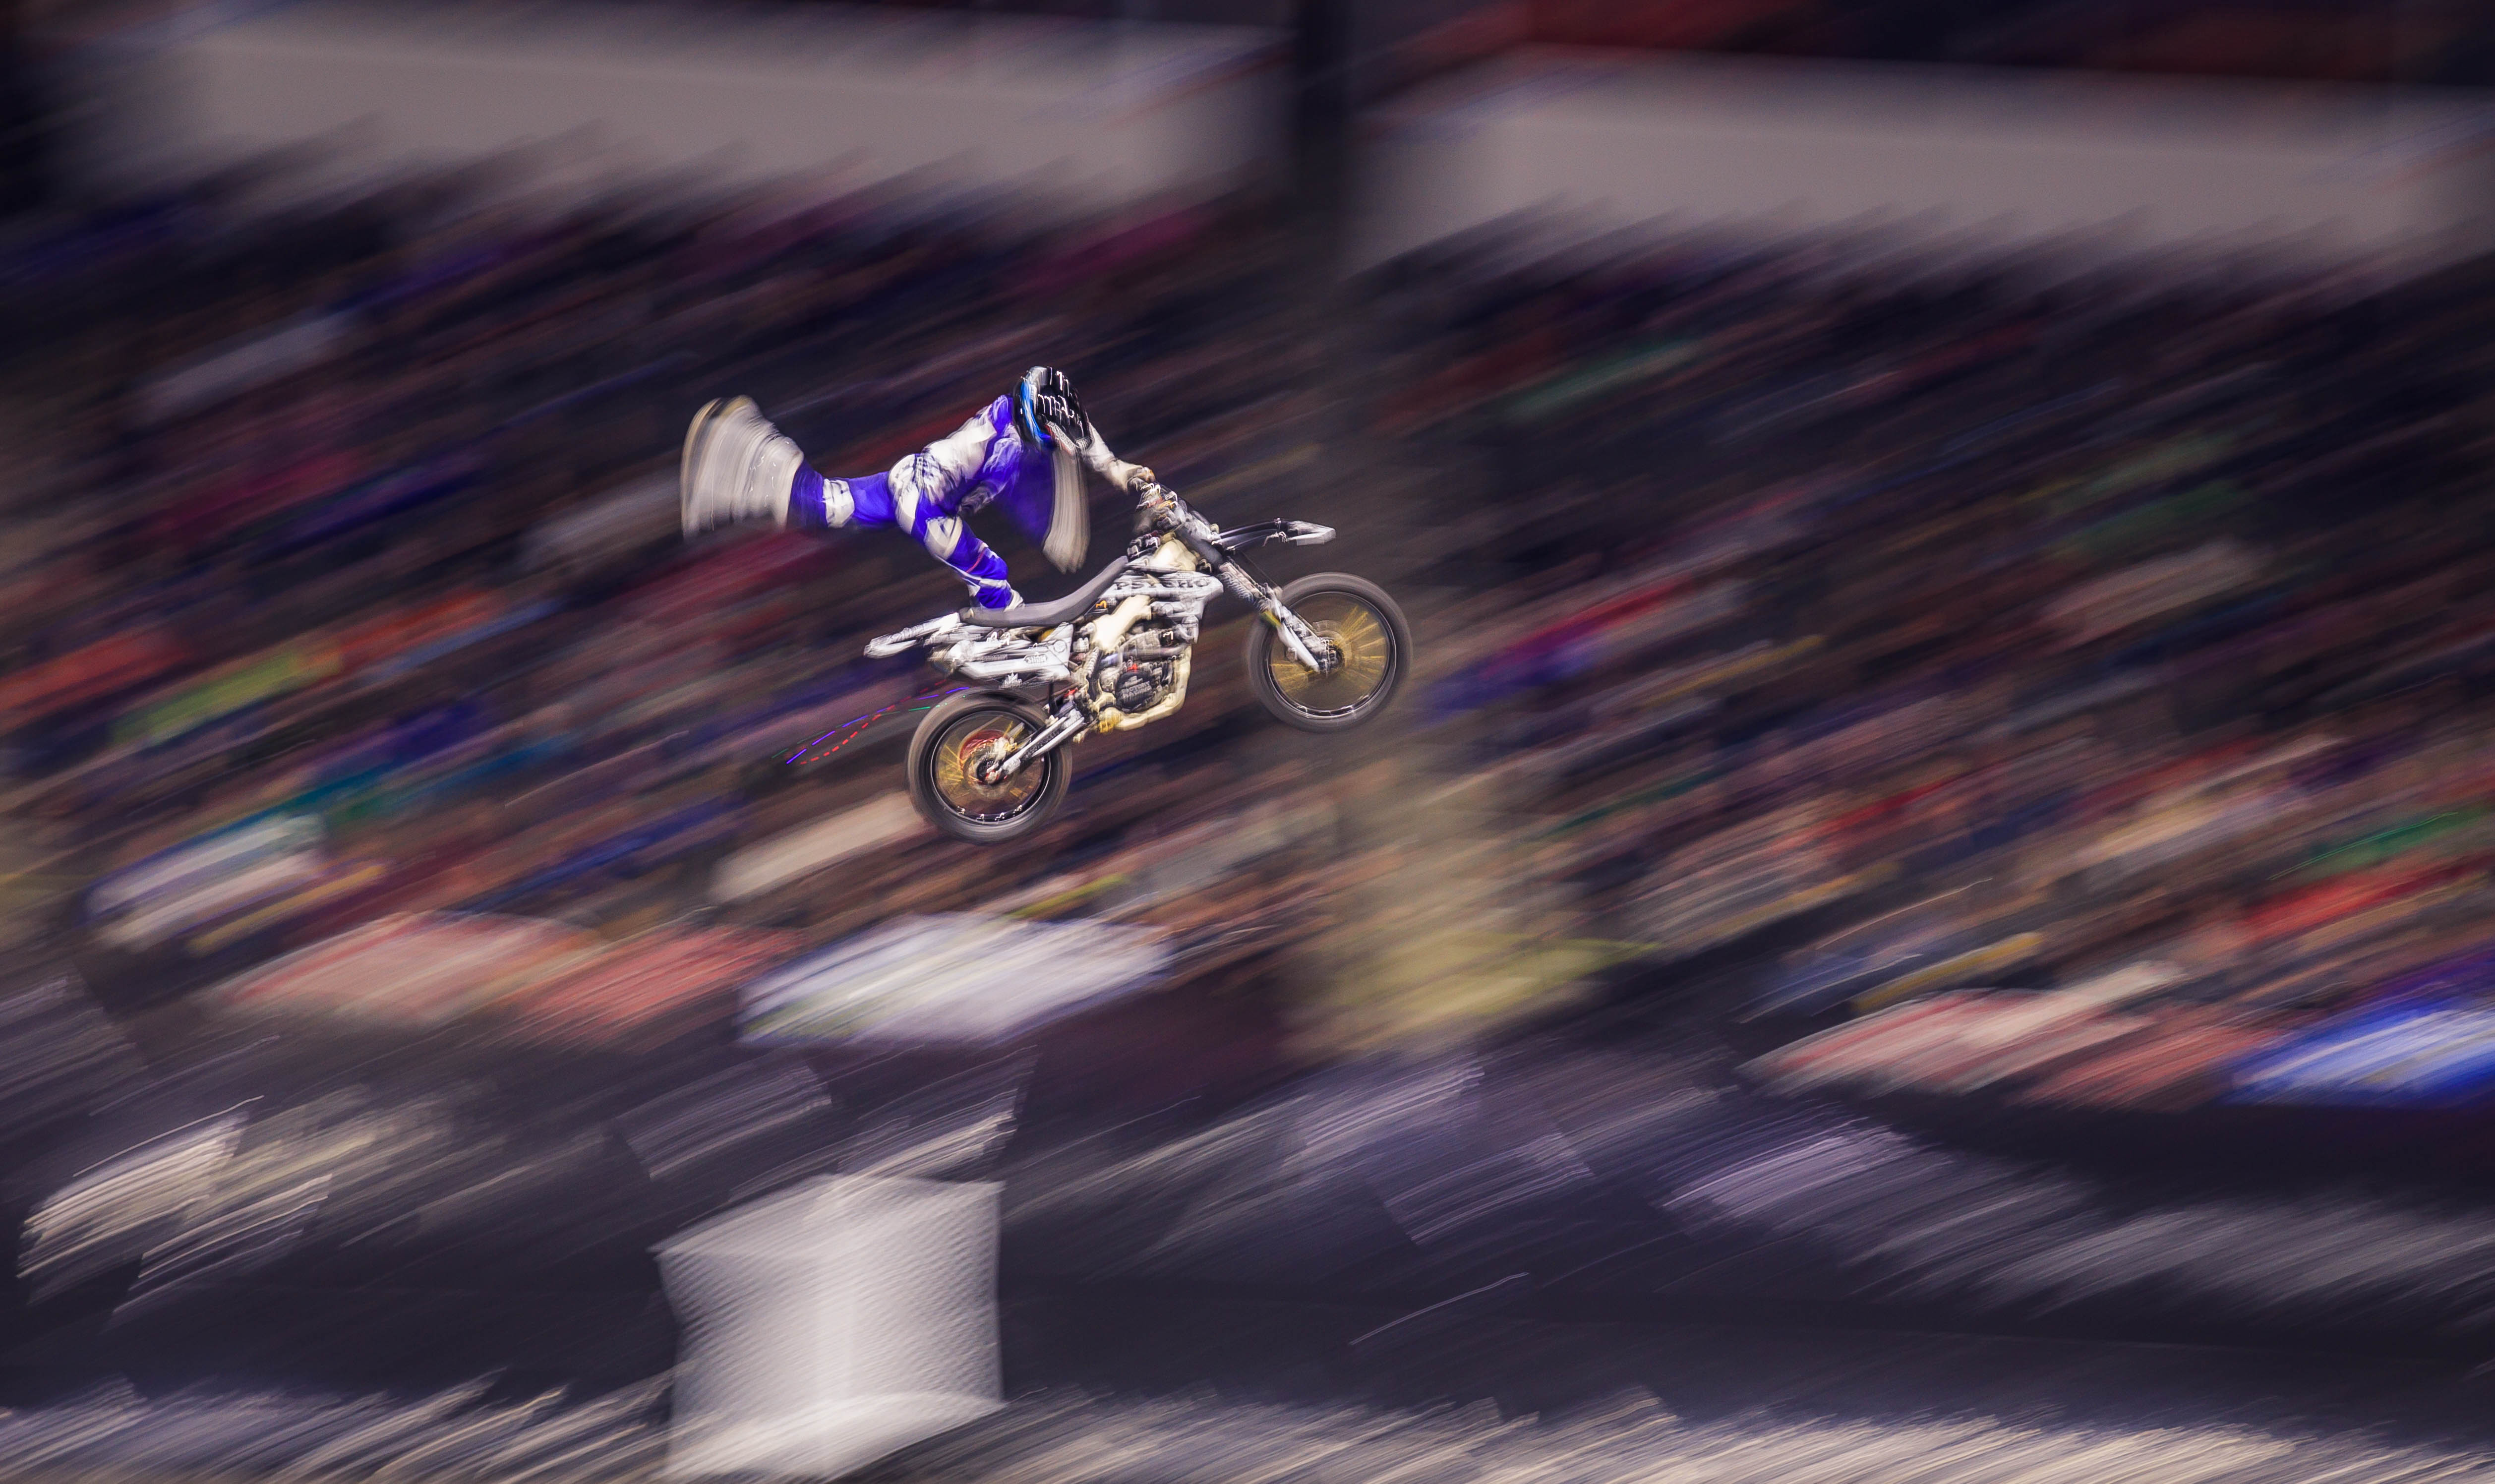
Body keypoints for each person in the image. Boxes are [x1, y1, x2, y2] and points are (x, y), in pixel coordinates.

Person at [679, 366, 1154, 611]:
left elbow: (1080, 435)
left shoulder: (1033, 415)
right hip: (922, 502)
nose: (1057, 443)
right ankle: (1012, 635)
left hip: (907, 479)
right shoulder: (992, 443)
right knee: (990, 570)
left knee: (821, 500)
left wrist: (1117, 470)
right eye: (1050, 433)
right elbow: (1006, 485)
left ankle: (746, 444)